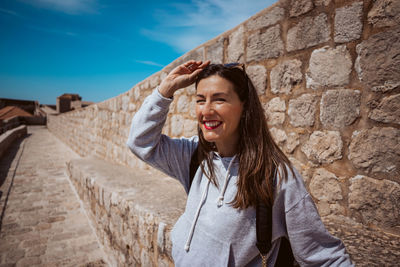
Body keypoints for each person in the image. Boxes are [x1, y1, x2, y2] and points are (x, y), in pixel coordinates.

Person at [127, 60, 353, 266]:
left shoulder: (276, 176)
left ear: (244, 107)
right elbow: (140, 142)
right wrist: (165, 90)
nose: (206, 111)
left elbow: (323, 256)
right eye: (200, 100)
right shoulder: (195, 156)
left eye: (219, 99)